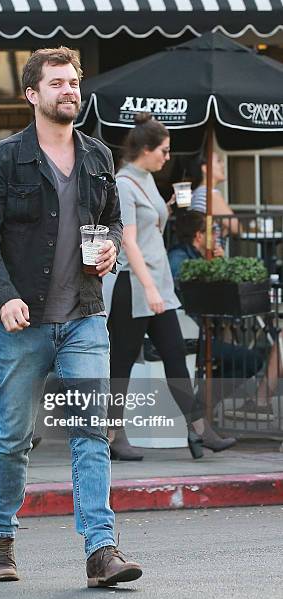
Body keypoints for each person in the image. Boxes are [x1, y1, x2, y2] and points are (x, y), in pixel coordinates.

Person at [0, 47, 142, 587]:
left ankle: (101, 550)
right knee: (15, 436)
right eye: (58, 83)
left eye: (74, 82)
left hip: (86, 317)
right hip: (24, 321)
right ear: (31, 94)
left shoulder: (98, 156)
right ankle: (1, 538)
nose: (70, 90)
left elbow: (111, 220)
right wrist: (4, 297)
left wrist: (112, 246)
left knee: (90, 432)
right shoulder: (1, 161)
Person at [105, 113, 235, 463]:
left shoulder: (146, 179)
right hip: (135, 285)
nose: (167, 157)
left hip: (154, 285)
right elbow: (129, 242)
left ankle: (199, 430)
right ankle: (112, 434)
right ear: (145, 149)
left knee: (176, 356)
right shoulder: (122, 183)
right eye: (163, 150)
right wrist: (148, 289)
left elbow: (150, 224)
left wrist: (170, 206)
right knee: (122, 362)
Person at [169, 210, 262, 399]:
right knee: (250, 360)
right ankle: (200, 407)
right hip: (185, 337)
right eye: (213, 230)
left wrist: (217, 264)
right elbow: (196, 297)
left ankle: (201, 404)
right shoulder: (178, 259)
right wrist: (211, 268)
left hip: (203, 333)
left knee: (247, 359)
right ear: (199, 235)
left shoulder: (198, 258)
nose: (217, 234)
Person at [189, 151, 240, 243]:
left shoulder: (197, 192)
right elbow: (236, 228)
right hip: (212, 254)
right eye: (218, 161)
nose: (223, 164)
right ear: (205, 168)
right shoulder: (210, 194)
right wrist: (226, 229)